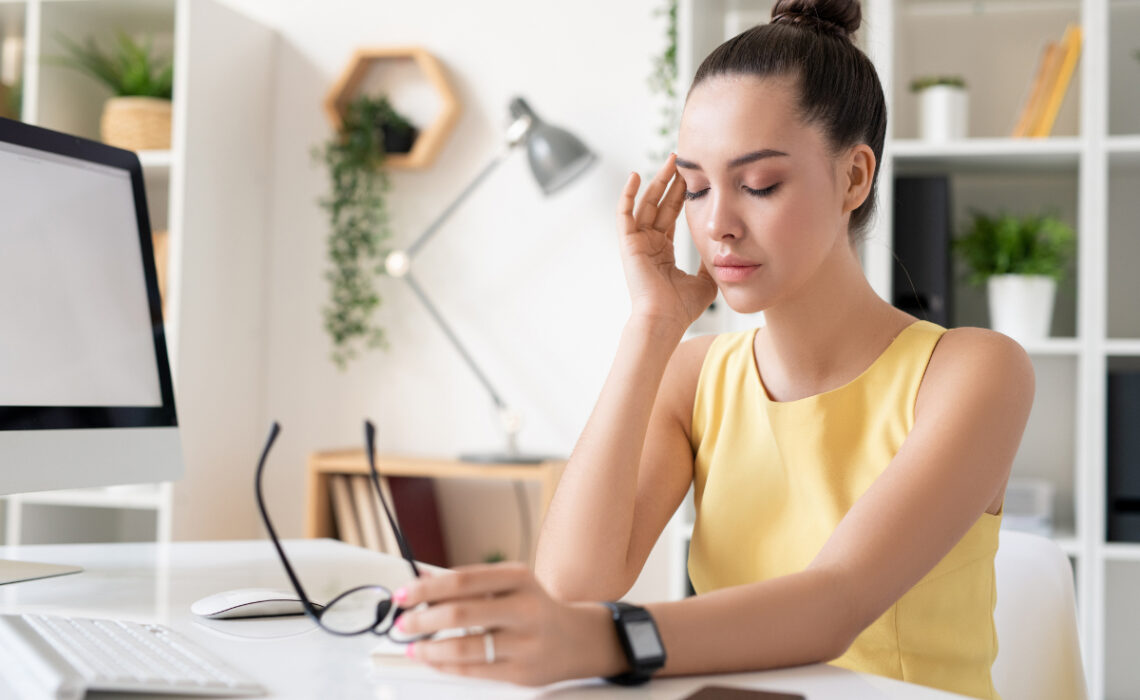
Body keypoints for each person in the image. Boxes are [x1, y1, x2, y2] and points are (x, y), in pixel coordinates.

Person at [391, 1, 1033, 697]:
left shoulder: (972, 372)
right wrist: (652, 326)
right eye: (695, 187)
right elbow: (572, 589)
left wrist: (602, 639)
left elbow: (836, 601)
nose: (716, 224)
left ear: (853, 177)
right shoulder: (695, 377)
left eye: (759, 184)